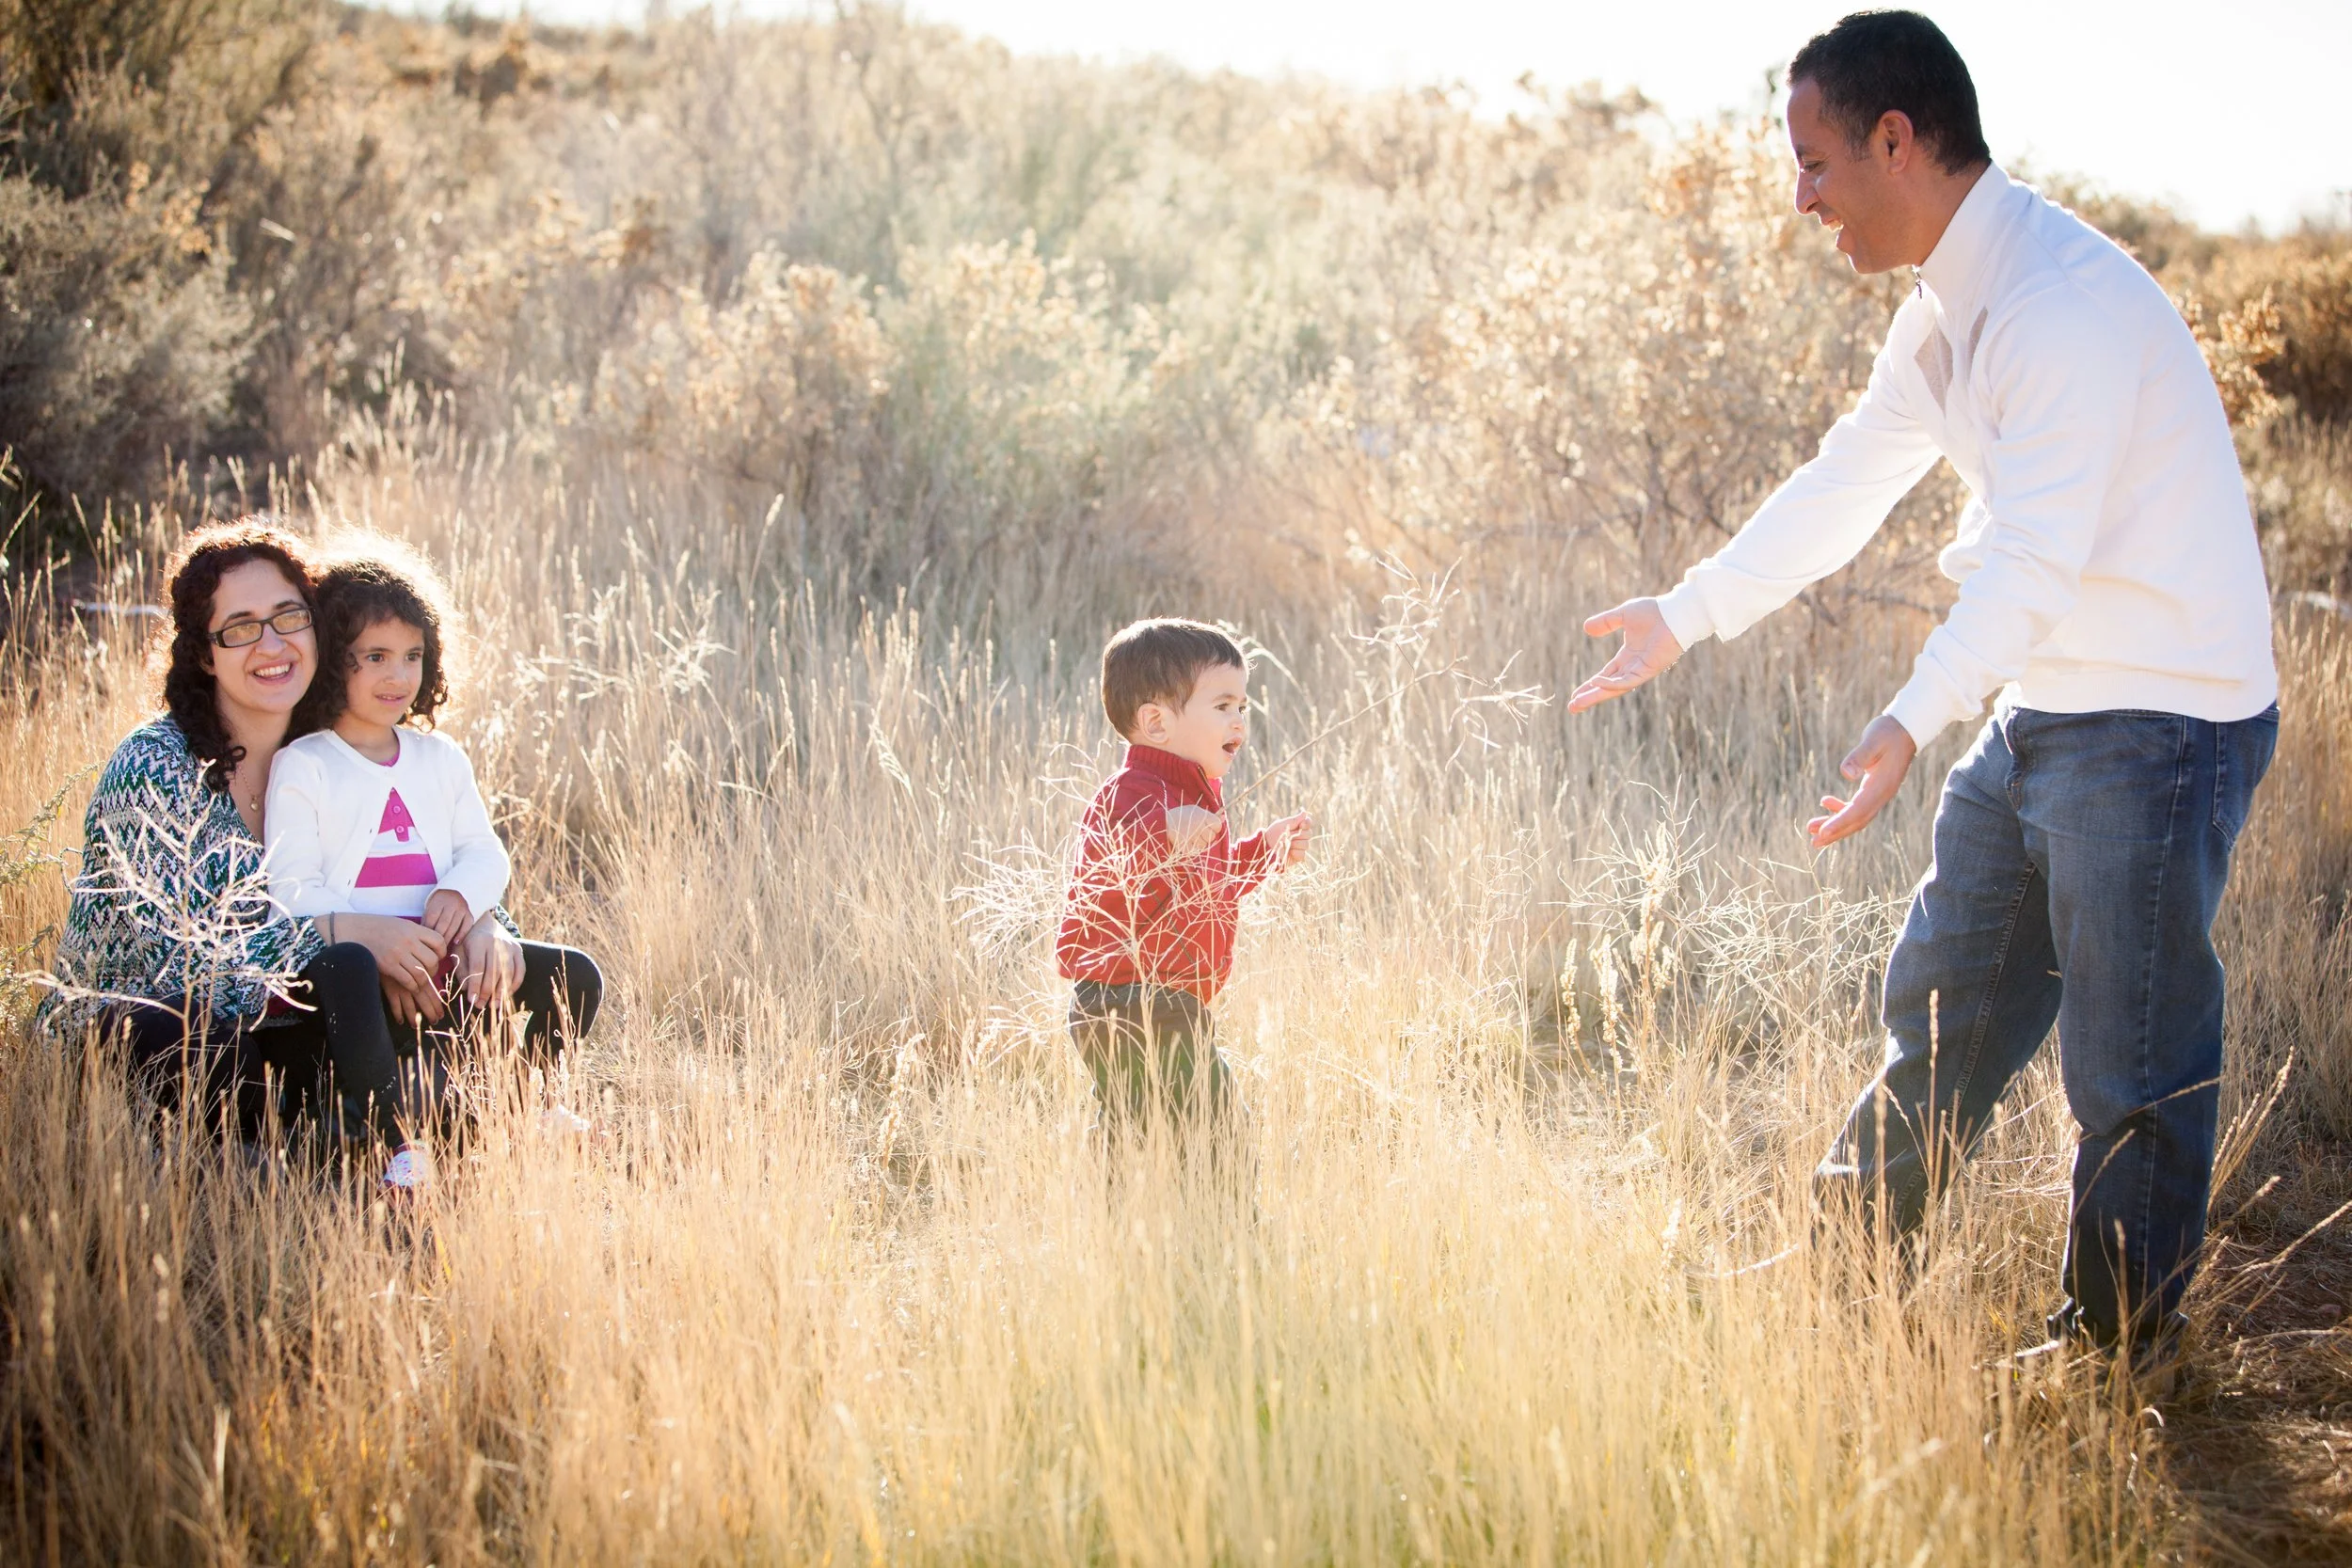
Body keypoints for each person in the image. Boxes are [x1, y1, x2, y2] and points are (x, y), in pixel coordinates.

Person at [1566, 11, 2278, 1391]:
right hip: (2054, 694)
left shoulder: (2057, 305)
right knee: (1942, 1001)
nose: (1802, 197)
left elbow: (2036, 557)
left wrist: (1910, 717)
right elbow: (1844, 484)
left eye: (1816, 160)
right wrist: (1687, 611)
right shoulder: (1946, 309)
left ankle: (2118, 1356)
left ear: (1900, 139)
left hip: (2161, 711)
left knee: (2130, 1062)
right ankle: (1843, 1269)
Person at [40, 519, 530, 1181]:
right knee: (183, 1041)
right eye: (240, 627)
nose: (270, 643)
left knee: (470, 990)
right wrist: (357, 941)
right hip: (164, 1022)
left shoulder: (332, 747)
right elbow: (189, 958)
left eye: (287, 617)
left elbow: (427, 863)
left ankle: (383, 1128)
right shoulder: (154, 764)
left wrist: (479, 919)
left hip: (310, 1010)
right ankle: (361, 1134)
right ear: (206, 653)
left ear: (317, 630)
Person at [267, 554, 602, 1112]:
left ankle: (511, 1104)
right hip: (353, 989)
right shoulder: (306, 763)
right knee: (345, 969)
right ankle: (387, 1140)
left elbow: (483, 851)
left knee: (575, 975)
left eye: (412, 656)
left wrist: (469, 907)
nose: (398, 676)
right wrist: (378, 945)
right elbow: (292, 888)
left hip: (442, 969)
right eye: (375, 657)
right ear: (332, 661)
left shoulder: (439, 758)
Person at [1055, 619, 1312, 1143]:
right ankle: (1229, 1221)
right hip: (1129, 1000)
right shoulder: (1131, 794)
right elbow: (1110, 871)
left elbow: (1206, 890)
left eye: (1243, 707)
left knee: (1143, 1132)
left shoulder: (1192, 798)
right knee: (1216, 1132)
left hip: (1167, 1003)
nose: (1239, 722)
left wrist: (1264, 852)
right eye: (1222, 707)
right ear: (1155, 723)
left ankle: (1126, 1215)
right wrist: (1163, 833)